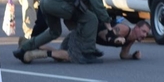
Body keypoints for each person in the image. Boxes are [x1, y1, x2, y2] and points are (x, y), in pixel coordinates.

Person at [22, 19, 151, 63]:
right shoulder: (124, 29)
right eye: (143, 31)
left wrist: (133, 56)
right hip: (82, 34)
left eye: (146, 33)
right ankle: (32, 54)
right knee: (70, 57)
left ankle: (30, 44)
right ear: (136, 28)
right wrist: (115, 38)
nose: (145, 35)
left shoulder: (131, 39)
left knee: (61, 55)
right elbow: (103, 33)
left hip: (85, 37)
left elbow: (123, 55)